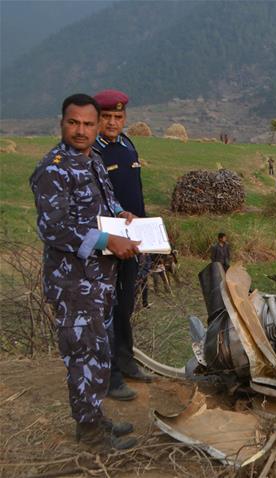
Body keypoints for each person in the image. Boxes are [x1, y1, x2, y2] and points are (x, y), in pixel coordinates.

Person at [30, 94, 141, 451]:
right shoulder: (54, 169)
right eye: (73, 123)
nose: (81, 131)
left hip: (98, 280)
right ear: (61, 123)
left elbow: (102, 205)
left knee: (96, 352)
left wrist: (122, 215)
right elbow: (53, 228)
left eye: (88, 124)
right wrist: (106, 239)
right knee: (83, 354)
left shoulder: (91, 160)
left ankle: (94, 418)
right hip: (74, 282)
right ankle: (90, 433)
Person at [91, 89, 154, 402]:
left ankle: (126, 360)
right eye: (106, 117)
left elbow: (134, 194)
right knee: (108, 309)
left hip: (133, 239)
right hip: (105, 245)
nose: (113, 123)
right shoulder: (92, 152)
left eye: (118, 117)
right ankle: (110, 375)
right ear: (97, 118)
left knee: (126, 303)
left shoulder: (128, 145)